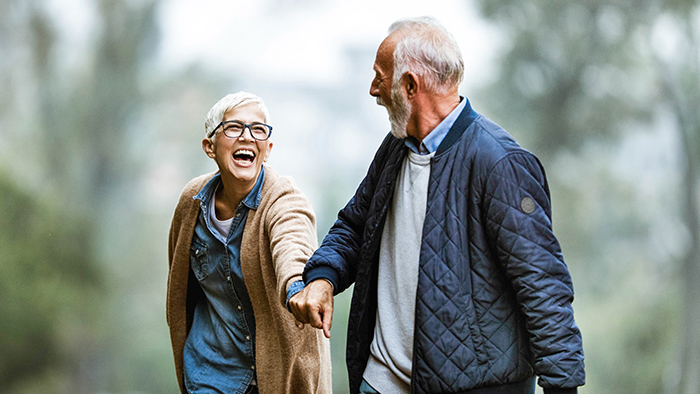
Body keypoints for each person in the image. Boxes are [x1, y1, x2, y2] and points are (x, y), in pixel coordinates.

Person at [289, 16, 585, 394]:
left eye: (380, 76)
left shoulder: (499, 163)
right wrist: (322, 277)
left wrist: (563, 387)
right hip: (380, 381)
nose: (372, 89)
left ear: (410, 85)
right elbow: (354, 226)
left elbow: (542, 286)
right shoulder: (395, 147)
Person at [167, 92, 332, 394]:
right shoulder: (191, 202)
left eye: (258, 130)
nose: (247, 137)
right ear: (210, 146)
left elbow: (292, 245)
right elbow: (181, 289)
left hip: (276, 378)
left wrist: (297, 286)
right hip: (209, 374)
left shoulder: (284, 199)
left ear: (267, 149)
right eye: (234, 127)